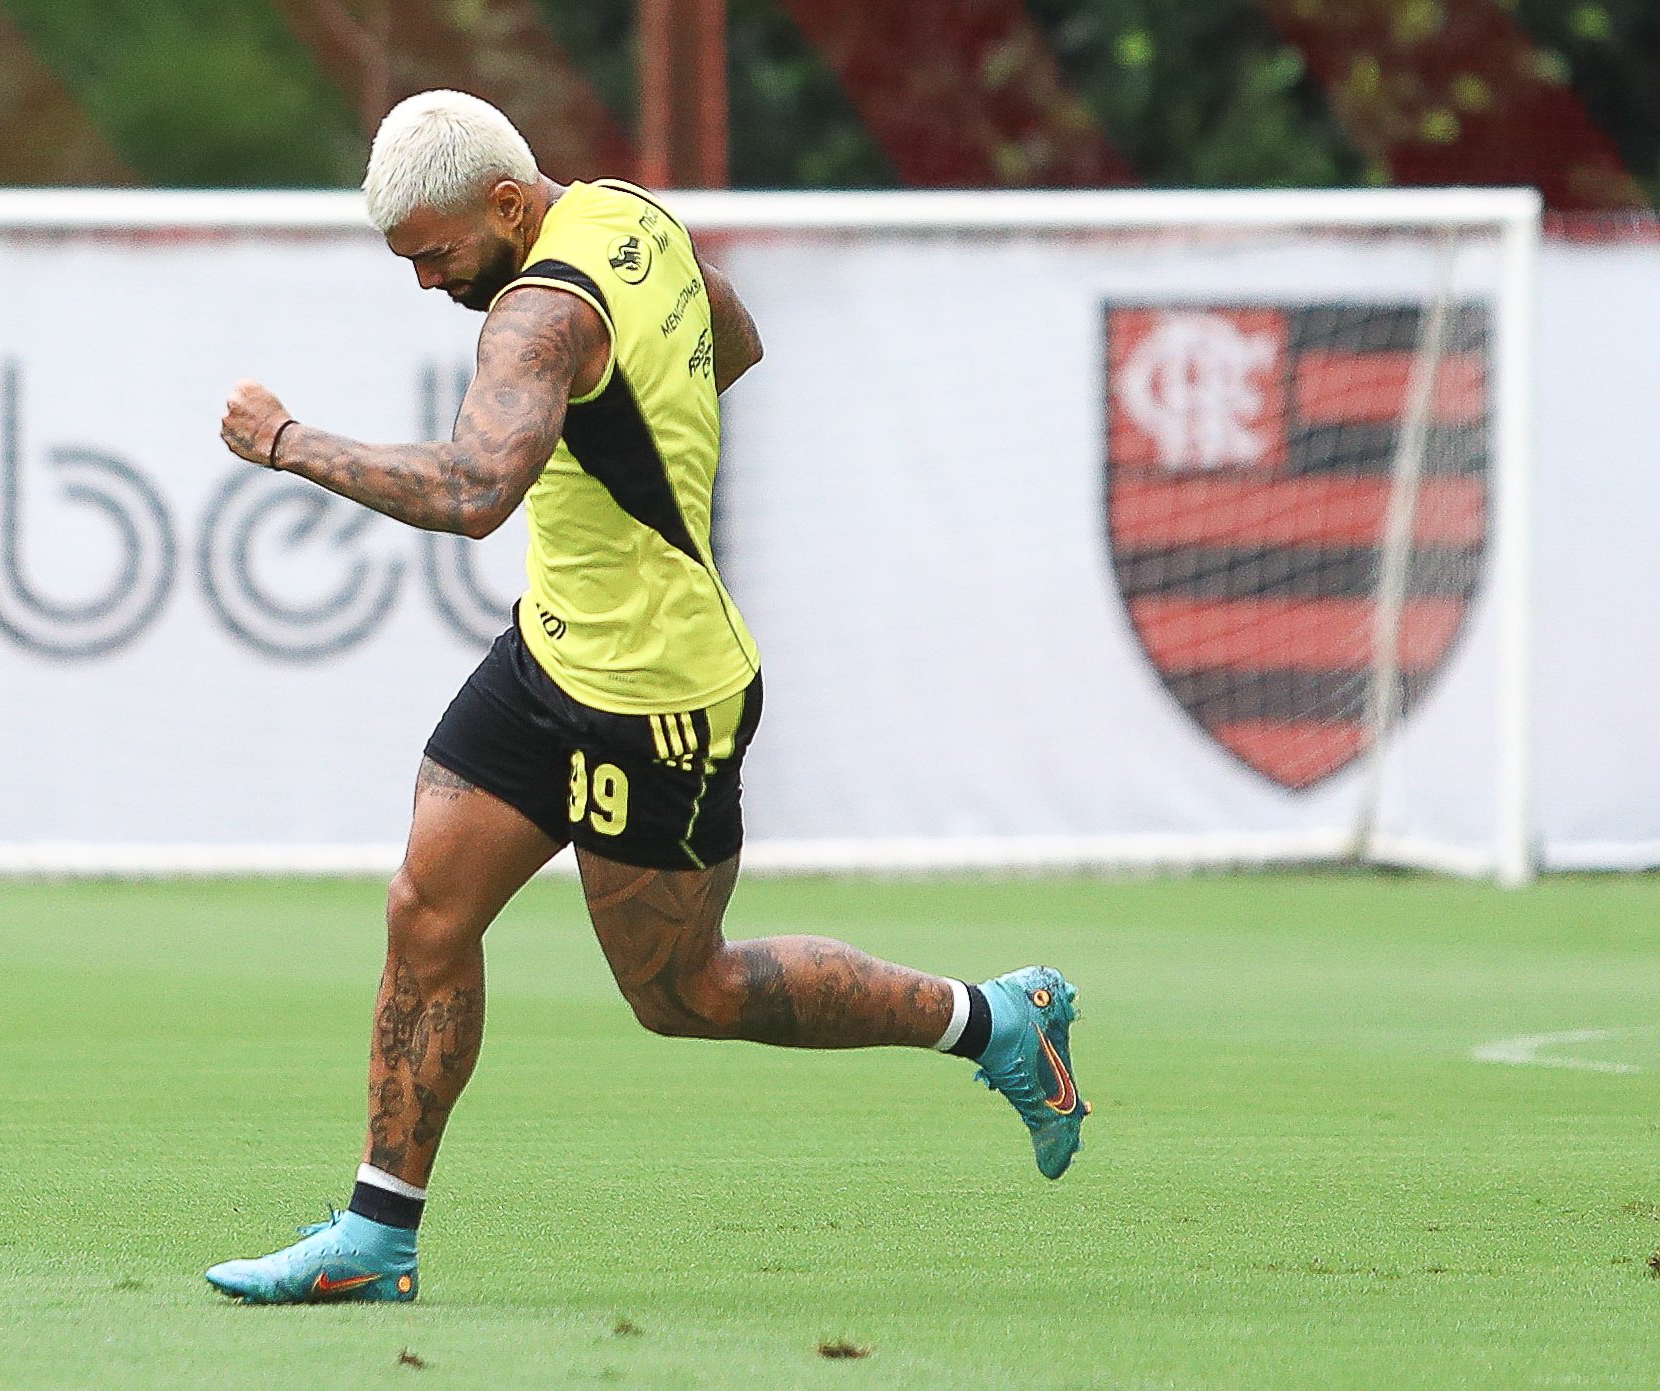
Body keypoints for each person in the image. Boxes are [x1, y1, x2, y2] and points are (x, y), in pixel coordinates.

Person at [204, 90, 1087, 1305]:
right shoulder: (627, 214)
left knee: (686, 992)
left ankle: (990, 1019)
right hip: (548, 660)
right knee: (425, 910)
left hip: (658, 699)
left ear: (507, 205)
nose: (421, 281)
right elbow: (734, 334)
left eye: (434, 252)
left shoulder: (534, 316)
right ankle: (375, 1236)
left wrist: (287, 439)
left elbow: (471, 492)